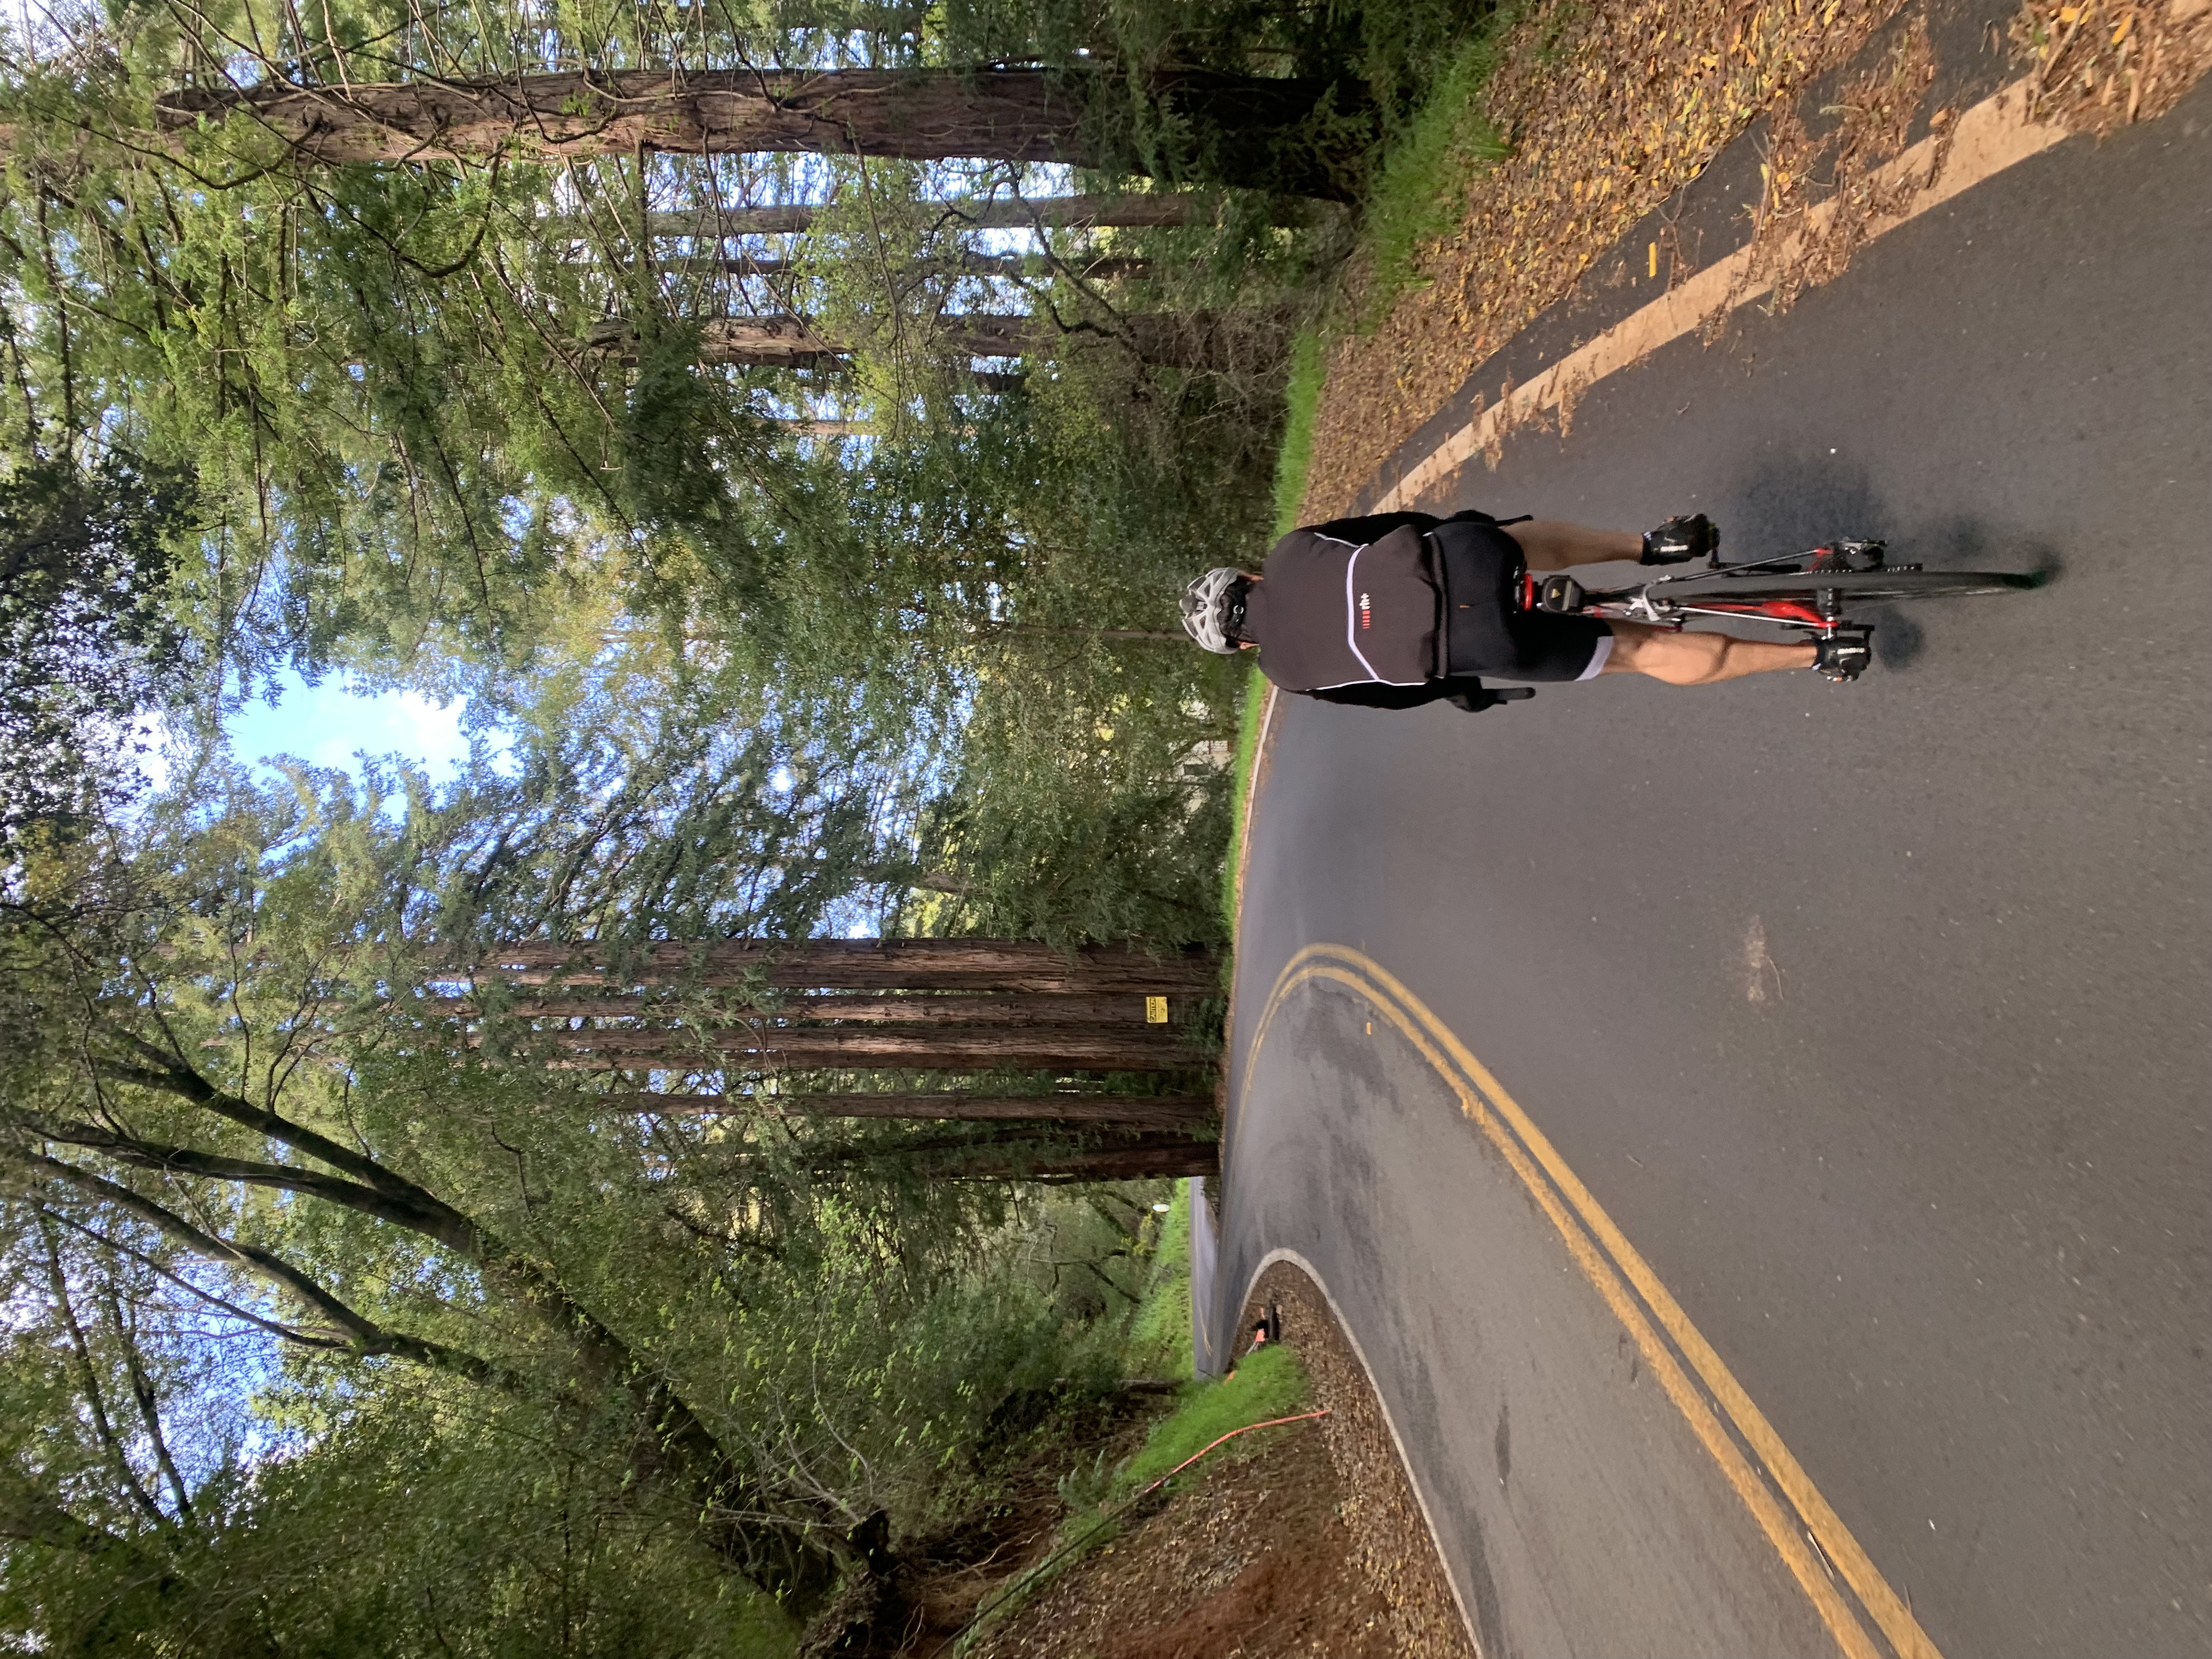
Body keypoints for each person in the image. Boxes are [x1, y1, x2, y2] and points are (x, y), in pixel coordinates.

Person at [1178, 509, 1870, 707]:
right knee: (1516, 537)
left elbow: (1394, 695)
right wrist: (1471, 530)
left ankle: (1821, 653)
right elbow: (1400, 525)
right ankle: (1652, 545)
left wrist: (1463, 690)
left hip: (1485, 643)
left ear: (1242, 647)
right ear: (1249, 576)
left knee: (1642, 651)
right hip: (1469, 559)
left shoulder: (1288, 676)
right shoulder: (1294, 549)